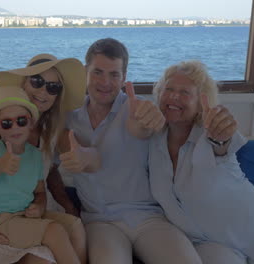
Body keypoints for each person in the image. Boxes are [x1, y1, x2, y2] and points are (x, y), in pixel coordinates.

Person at [53, 38, 203, 264]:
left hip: (148, 217)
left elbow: (140, 128)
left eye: (114, 75)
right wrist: (68, 200)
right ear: (85, 71)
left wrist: (148, 120)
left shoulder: (136, 109)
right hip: (99, 222)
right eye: (98, 72)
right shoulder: (69, 117)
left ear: (124, 77)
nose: (105, 82)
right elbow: (56, 163)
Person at [0, 54, 93, 264]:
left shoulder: (52, 131)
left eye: (53, 87)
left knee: (76, 227)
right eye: (37, 81)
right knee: (51, 242)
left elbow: (49, 174)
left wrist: (67, 204)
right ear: (24, 83)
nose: (43, 91)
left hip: (32, 211)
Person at [148, 60, 254, 264]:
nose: (174, 96)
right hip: (207, 245)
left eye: (185, 92)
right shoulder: (152, 141)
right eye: (168, 89)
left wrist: (221, 135)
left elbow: (222, 146)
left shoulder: (211, 134)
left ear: (200, 103)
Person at [0, 85, 81, 264]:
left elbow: (40, 191)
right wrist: (0, 164)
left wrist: (39, 205)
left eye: (21, 121)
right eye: (7, 123)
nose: (14, 127)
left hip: (24, 214)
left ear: (31, 123)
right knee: (55, 231)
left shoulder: (35, 155)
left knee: (75, 226)